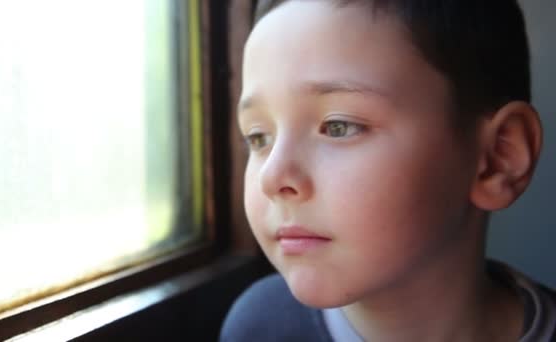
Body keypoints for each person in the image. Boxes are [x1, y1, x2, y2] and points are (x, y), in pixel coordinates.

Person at [220, 0, 556, 341]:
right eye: (258, 137)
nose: (272, 177)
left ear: (498, 158)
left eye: (338, 127)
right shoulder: (262, 325)